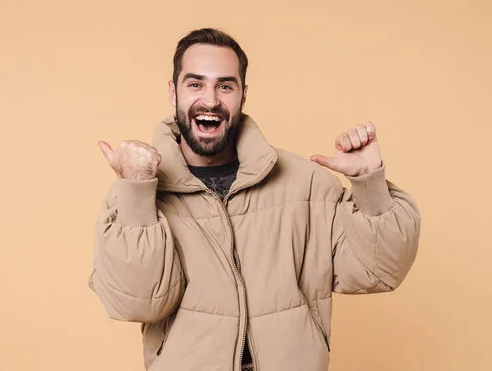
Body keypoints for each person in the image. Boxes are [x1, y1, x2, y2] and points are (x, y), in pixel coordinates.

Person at [88, 28, 421, 371]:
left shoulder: (305, 183)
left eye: (225, 86)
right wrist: (138, 192)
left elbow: (379, 270)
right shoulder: (137, 188)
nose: (211, 100)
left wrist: (369, 184)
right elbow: (138, 303)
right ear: (173, 92)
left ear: (243, 95)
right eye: (195, 84)